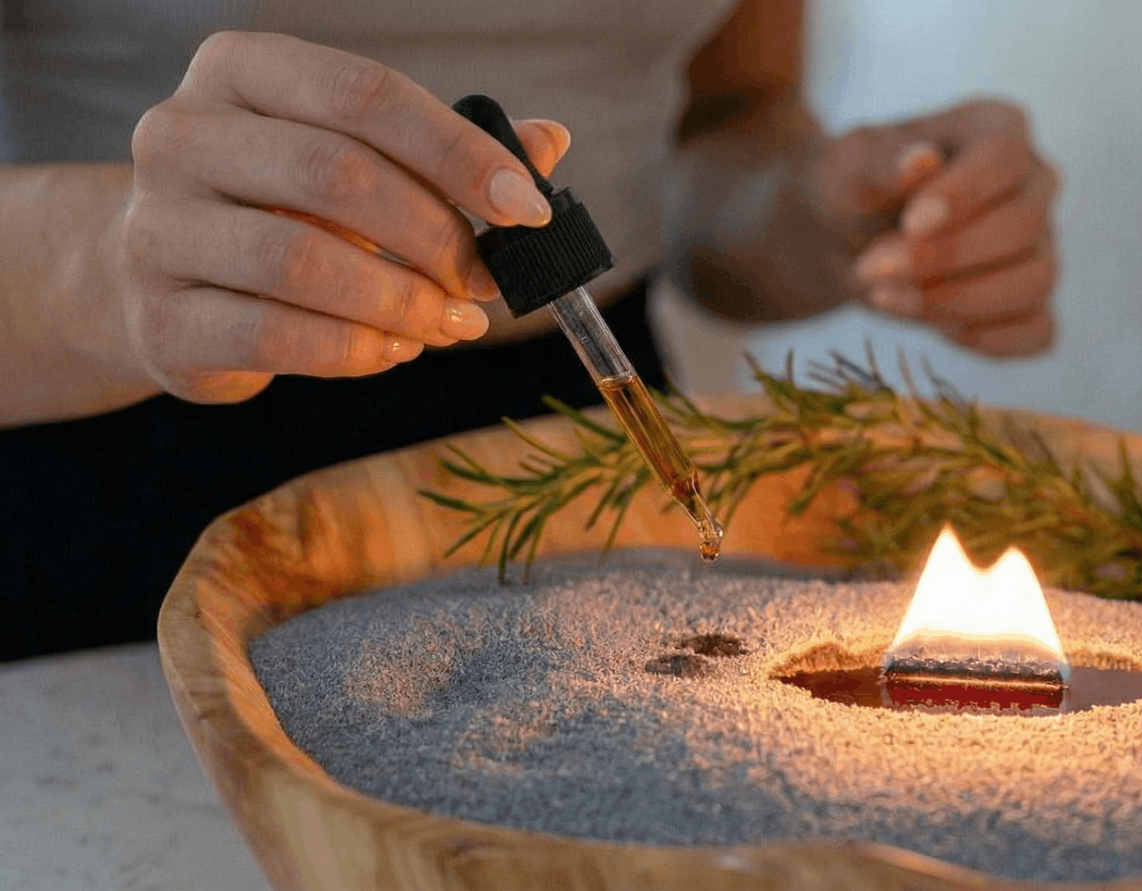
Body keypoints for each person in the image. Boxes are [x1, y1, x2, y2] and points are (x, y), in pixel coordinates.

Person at [0, 0, 1058, 660]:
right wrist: (107, 264)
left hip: (572, 435)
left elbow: (727, 120)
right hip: (122, 441)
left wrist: (822, 218)